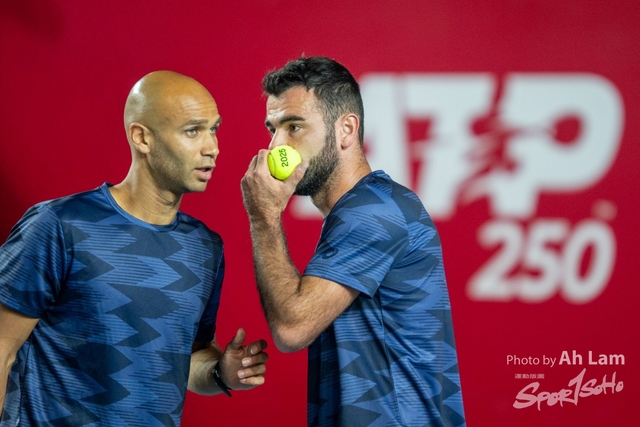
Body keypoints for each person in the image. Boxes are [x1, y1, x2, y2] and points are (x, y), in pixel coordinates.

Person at [0, 71, 268, 426]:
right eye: (193, 131)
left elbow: (188, 358)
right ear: (142, 138)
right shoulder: (59, 225)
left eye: (213, 129)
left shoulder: (205, 247)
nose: (212, 148)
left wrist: (220, 372)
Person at [241, 56, 465, 426]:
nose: (277, 145)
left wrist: (263, 214)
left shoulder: (374, 211)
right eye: (273, 129)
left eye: (294, 126)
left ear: (346, 129)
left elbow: (292, 328)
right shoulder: (360, 209)